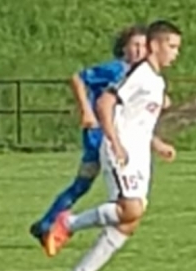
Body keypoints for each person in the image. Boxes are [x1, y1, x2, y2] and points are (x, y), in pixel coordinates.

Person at [43, 20, 181, 271]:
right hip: (121, 149)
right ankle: (67, 223)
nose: (176, 53)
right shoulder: (139, 74)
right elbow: (105, 102)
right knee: (131, 208)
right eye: (172, 46)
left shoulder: (156, 80)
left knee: (130, 221)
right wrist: (115, 142)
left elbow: (136, 121)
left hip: (139, 154)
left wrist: (157, 144)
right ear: (155, 45)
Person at [29, 25, 147, 245]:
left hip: (116, 136)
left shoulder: (141, 76)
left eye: (144, 45)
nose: (140, 50)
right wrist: (86, 110)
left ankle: (45, 224)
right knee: (115, 188)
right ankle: (62, 225)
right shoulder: (116, 69)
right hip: (100, 134)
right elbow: (78, 78)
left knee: (83, 184)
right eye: (135, 45)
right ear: (124, 48)